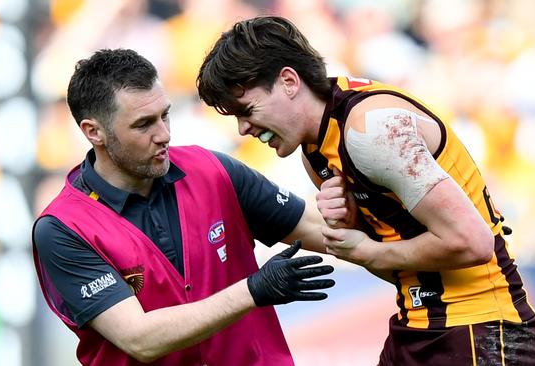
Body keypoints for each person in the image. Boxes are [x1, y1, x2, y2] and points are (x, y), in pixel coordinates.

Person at [197, 16, 535, 365]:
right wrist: (354, 230)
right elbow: (398, 267)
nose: (243, 129)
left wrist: (369, 251)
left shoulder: (372, 131)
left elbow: (473, 242)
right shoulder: (316, 150)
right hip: (418, 326)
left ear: (288, 80)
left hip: (482, 329)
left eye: (247, 110)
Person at [32, 48, 336, 366]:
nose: (164, 135)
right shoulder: (62, 228)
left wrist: (364, 203)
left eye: (165, 115)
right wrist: (253, 290)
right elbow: (139, 339)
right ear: (94, 132)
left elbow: (322, 230)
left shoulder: (213, 169)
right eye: (143, 124)